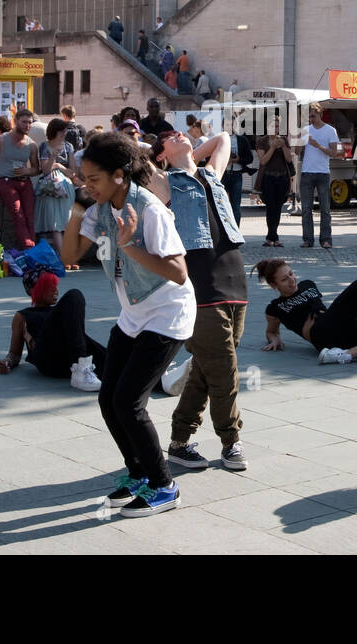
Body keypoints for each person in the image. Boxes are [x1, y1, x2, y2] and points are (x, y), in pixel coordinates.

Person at [59, 132, 195, 517]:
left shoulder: (149, 209)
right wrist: (75, 209)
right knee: (108, 398)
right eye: (83, 178)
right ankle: (137, 473)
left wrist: (131, 245)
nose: (87, 185)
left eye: (94, 179)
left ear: (119, 175)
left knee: (129, 402)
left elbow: (179, 272)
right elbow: (69, 256)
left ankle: (164, 484)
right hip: (134, 313)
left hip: (168, 313)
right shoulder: (97, 209)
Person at [147, 128, 249, 473]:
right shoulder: (163, 182)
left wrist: (187, 152)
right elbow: (132, 161)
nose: (177, 133)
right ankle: (230, 442)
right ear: (160, 155)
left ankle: (179, 441)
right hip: (200, 285)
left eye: (179, 132)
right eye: (169, 137)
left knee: (207, 368)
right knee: (223, 369)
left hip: (234, 279)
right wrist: (162, 155)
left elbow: (223, 138)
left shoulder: (210, 174)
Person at [257, 259, 357, 366]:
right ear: (273, 285)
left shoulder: (308, 284)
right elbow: (271, 331)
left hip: (339, 329)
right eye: (284, 279)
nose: (292, 280)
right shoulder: (274, 307)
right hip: (321, 333)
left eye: (291, 274)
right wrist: (274, 339)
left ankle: (345, 355)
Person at [0, 269, 104, 393]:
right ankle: (81, 368)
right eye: (49, 286)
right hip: (48, 358)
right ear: (35, 291)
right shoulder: (23, 316)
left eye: (55, 285)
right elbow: (15, 354)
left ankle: (84, 367)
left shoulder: (61, 311)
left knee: (116, 359)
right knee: (74, 295)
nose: (55, 290)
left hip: (68, 359)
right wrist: (7, 362)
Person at [0, 108, 39, 249]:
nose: (27, 126)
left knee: (30, 217)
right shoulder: (0, 140)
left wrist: (27, 170)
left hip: (24, 182)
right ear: (15, 121)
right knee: (18, 215)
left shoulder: (32, 145)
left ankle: (33, 250)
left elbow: (36, 169)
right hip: (5, 181)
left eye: (30, 123)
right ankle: (29, 248)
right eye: (24, 122)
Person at [298, 103, 340, 248]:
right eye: (309, 116)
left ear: (320, 114)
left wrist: (318, 145)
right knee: (306, 208)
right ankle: (308, 239)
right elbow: (297, 152)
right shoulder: (306, 130)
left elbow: (334, 152)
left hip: (323, 173)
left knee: (325, 208)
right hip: (307, 172)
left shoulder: (330, 130)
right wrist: (298, 139)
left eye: (313, 116)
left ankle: (326, 239)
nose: (311, 119)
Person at [34, 118, 77, 256]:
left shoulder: (69, 146)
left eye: (65, 131)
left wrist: (61, 167)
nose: (64, 133)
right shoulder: (44, 146)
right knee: (55, 224)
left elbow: (73, 171)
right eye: (61, 131)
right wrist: (55, 160)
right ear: (54, 131)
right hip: (49, 187)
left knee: (66, 222)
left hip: (65, 187)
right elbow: (45, 170)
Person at [255, 120, 295, 247]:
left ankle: (273, 236)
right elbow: (263, 161)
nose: (275, 128)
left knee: (278, 208)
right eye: (272, 125)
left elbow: (289, 159)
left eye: (277, 126)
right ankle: (272, 236)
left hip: (282, 177)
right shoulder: (262, 141)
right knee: (270, 207)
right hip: (268, 177)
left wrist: (283, 146)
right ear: (267, 127)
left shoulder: (283, 140)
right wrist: (272, 147)